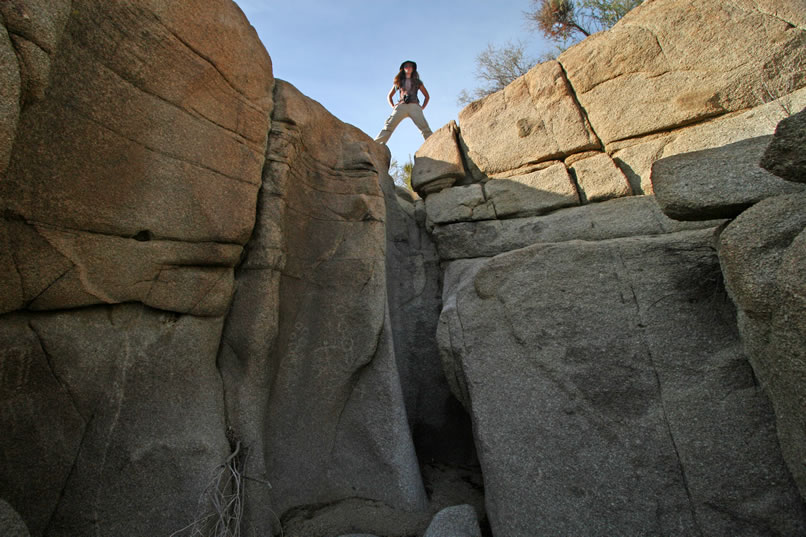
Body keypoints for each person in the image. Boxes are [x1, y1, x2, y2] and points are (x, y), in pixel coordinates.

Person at [375, 60, 433, 144]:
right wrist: (393, 106)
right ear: (403, 69)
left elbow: (427, 96)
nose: (408, 68)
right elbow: (389, 96)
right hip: (401, 106)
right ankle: (375, 145)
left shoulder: (418, 82)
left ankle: (434, 145)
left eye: (410, 66)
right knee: (388, 127)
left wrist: (422, 107)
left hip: (414, 106)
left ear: (413, 69)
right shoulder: (398, 82)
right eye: (406, 66)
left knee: (425, 129)